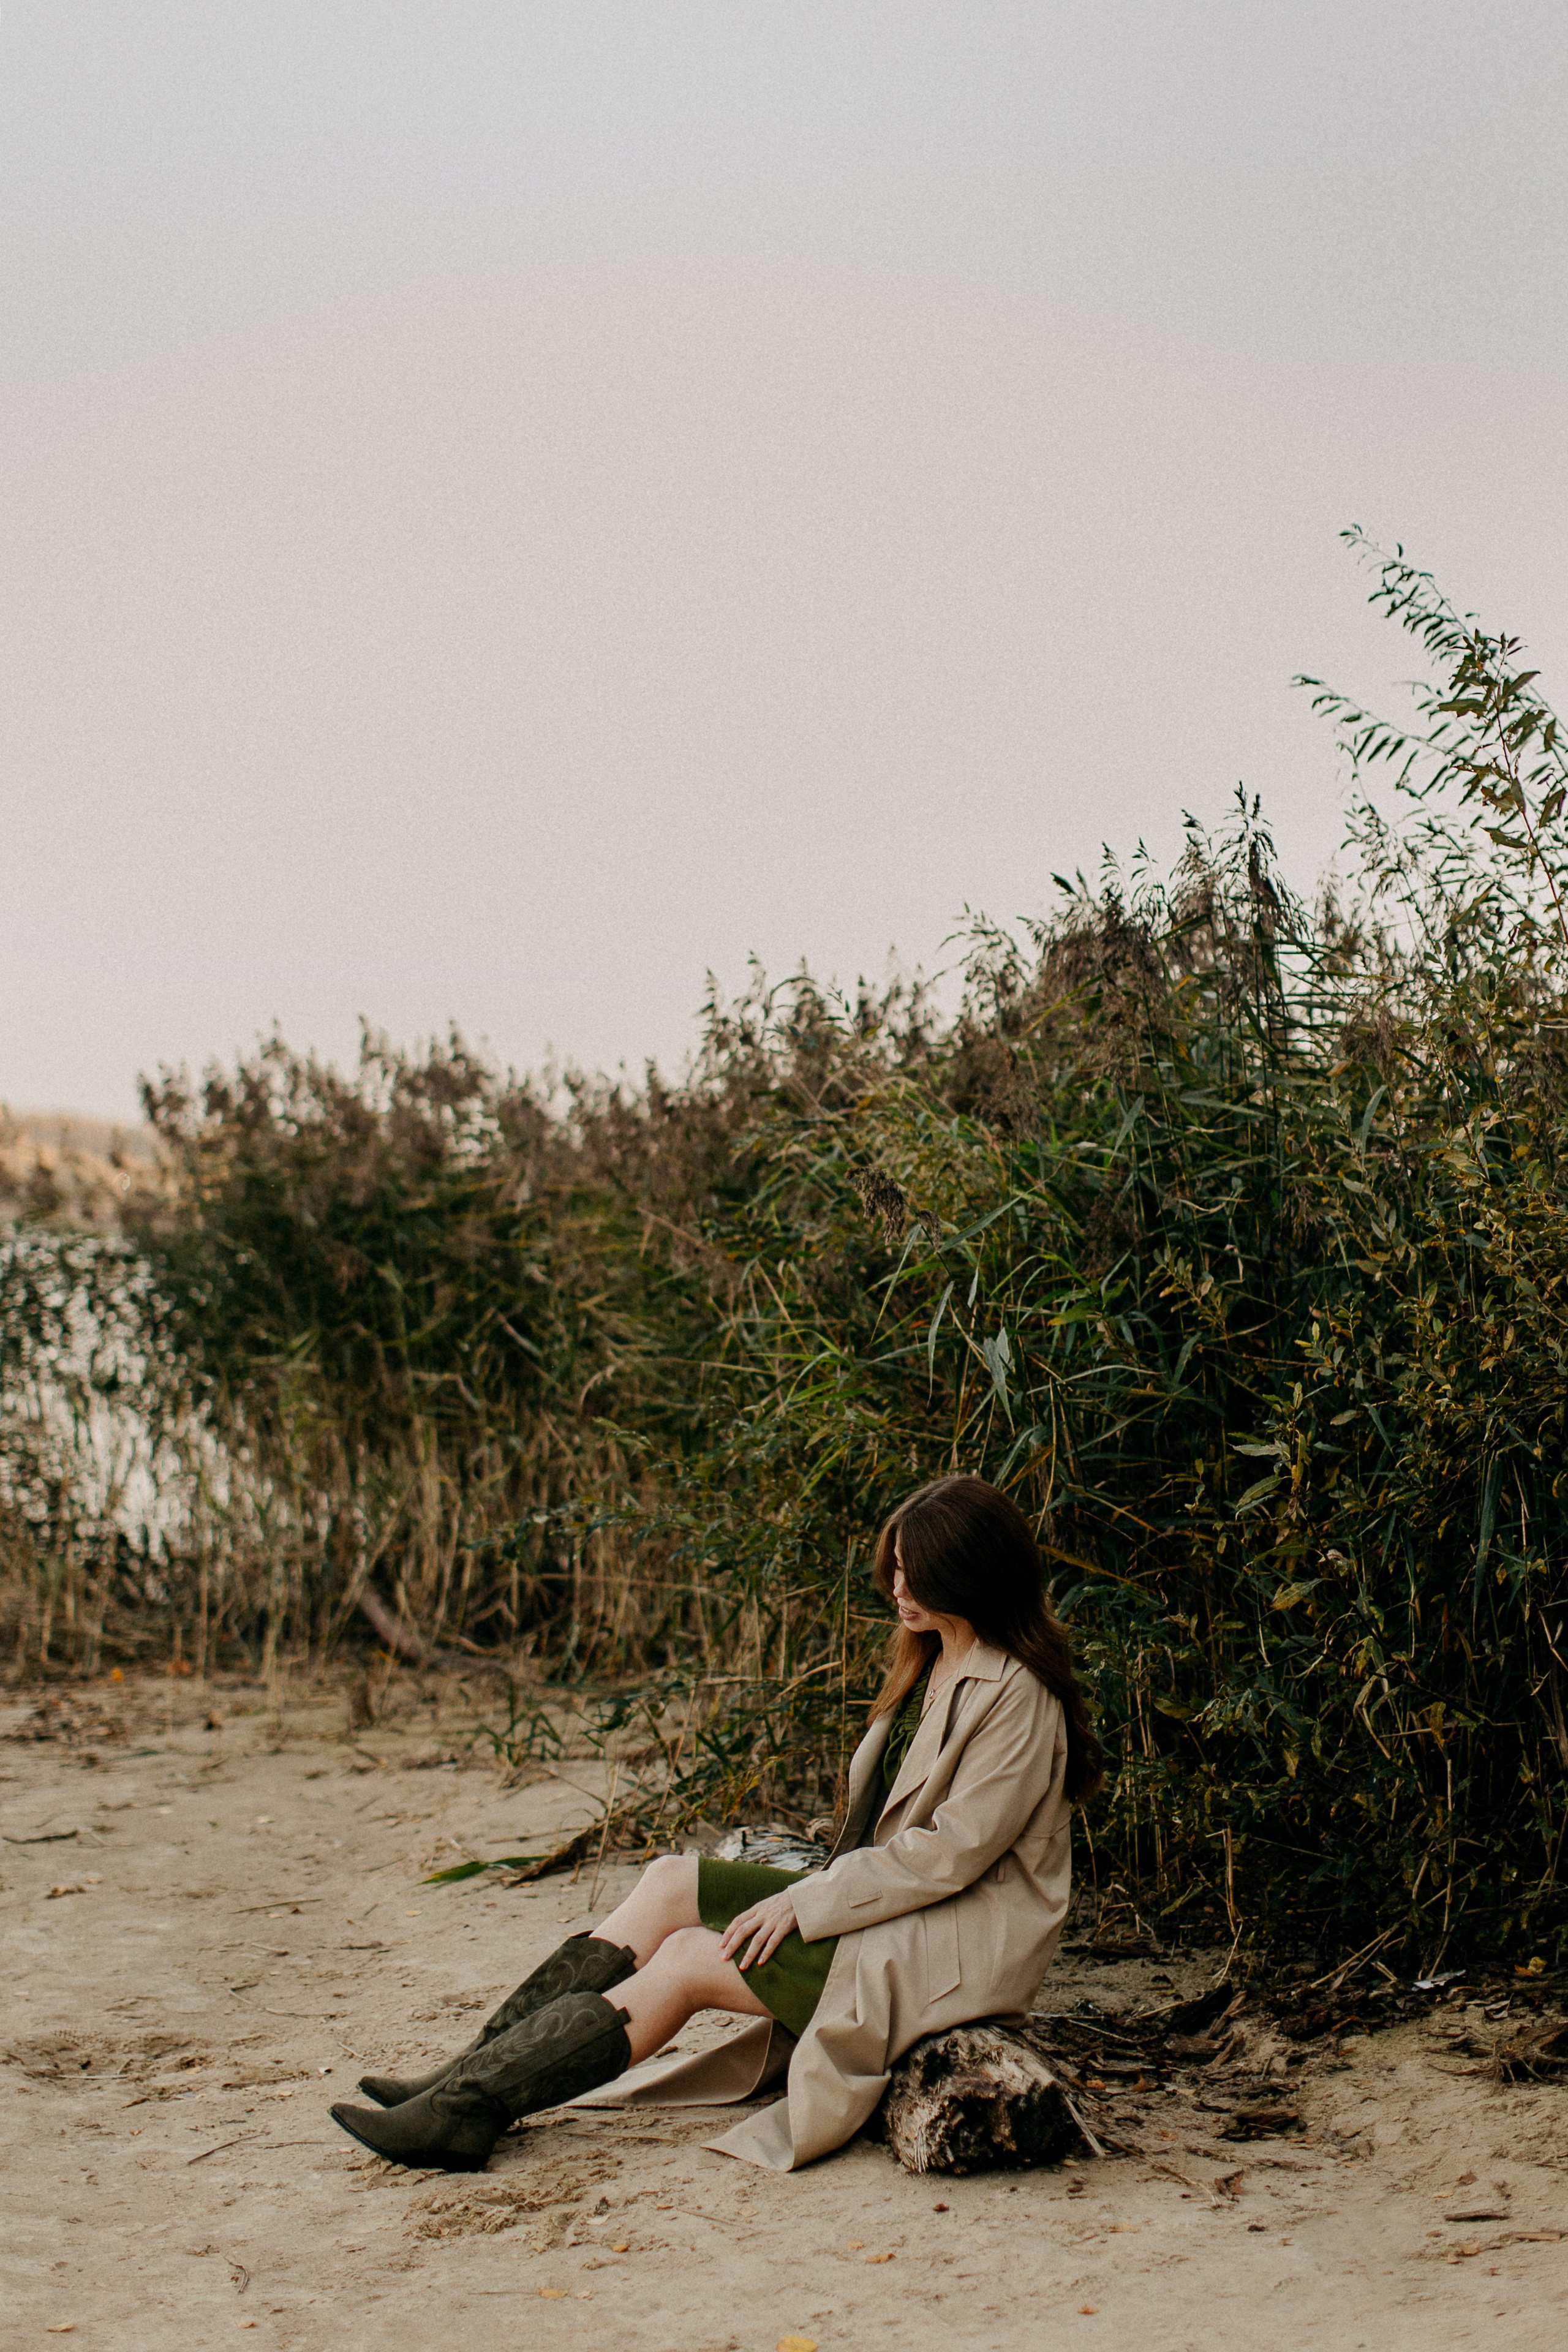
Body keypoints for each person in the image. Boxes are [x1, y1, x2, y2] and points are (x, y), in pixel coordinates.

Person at [330, 1472, 1102, 2174]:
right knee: (672, 1880)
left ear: (974, 1576)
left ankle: (471, 2109)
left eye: (920, 1575)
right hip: (887, 1904)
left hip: (950, 1943)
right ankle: (465, 2071)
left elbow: (948, 1858)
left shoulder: (1017, 1693)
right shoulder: (931, 1655)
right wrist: (810, 1889)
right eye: (895, 1567)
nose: (899, 1589)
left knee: (692, 1959)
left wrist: (802, 1901)